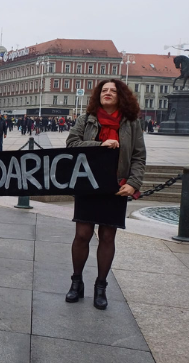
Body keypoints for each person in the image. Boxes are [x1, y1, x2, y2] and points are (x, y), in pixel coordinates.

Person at [64, 79, 146, 311]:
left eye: (112, 91)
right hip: (88, 183)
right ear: (98, 96)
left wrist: (133, 183)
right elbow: (71, 145)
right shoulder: (86, 119)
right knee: (82, 234)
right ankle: (76, 282)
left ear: (121, 96)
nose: (107, 93)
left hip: (116, 186)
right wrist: (98, 145)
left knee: (107, 237)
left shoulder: (131, 124)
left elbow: (139, 156)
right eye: (104, 90)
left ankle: (101, 287)